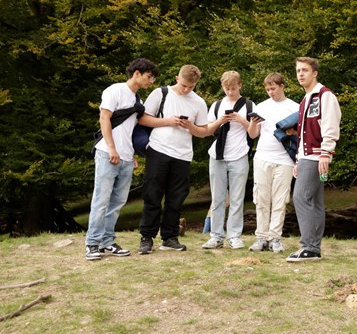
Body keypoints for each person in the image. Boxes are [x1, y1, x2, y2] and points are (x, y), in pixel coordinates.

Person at [138, 65, 225, 254]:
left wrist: (190, 126)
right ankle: (147, 237)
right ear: (177, 77)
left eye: (191, 87)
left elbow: (203, 132)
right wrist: (168, 121)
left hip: (183, 154)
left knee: (176, 198)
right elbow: (142, 119)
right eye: (184, 85)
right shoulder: (160, 94)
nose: (186, 90)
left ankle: (169, 237)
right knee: (152, 195)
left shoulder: (199, 102)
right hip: (158, 149)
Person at [85, 58, 159, 260]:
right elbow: (104, 118)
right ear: (136, 73)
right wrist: (111, 148)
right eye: (148, 76)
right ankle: (92, 243)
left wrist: (131, 155)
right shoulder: (114, 91)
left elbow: (131, 130)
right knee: (101, 200)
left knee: (117, 202)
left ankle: (107, 242)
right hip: (108, 153)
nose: (150, 81)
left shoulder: (138, 101)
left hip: (126, 157)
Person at [287, 56, 341, 262]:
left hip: (317, 156)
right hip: (307, 157)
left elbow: (330, 125)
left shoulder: (325, 96)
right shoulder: (305, 99)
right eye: (298, 70)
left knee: (301, 197)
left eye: (305, 70)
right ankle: (313, 247)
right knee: (315, 201)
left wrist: (326, 153)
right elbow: (302, 135)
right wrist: (298, 160)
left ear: (315, 73)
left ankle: (309, 246)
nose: (300, 74)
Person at [202, 71, 260, 250]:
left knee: (237, 198)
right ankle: (216, 236)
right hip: (217, 155)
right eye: (227, 89)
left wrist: (242, 120)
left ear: (240, 85)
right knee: (217, 197)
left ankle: (234, 235)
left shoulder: (249, 105)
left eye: (233, 88)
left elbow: (254, 134)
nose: (230, 92)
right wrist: (221, 120)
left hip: (239, 155)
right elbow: (208, 130)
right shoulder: (217, 105)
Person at [249, 73, 300, 253]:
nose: (271, 92)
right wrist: (253, 123)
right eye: (268, 89)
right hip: (263, 156)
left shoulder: (294, 107)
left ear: (282, 86)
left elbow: (299, 136)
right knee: (261, 198)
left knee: (280, 200)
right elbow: (253, 134)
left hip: (284, 159)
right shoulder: (261, 106)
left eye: (273, 88)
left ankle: (275, 237)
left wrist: (297, 159)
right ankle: (261, 237)